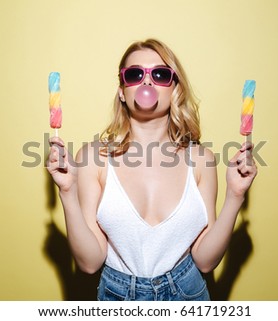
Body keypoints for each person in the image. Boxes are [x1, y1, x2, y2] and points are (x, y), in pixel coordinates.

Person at [47, 39, 257, 301]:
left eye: (160, 74)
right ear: (122, 91)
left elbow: (205, 261)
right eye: (135, 74)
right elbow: (89, 263)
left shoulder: (202, 160)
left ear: (175, 90)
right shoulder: (93, 158)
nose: (147, 82)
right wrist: (67, 192)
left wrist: (235, 197)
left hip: (188, 294)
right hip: (117, 296)